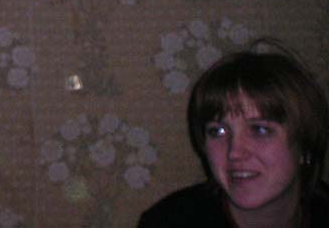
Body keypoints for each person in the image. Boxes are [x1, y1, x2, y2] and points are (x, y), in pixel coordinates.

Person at [138, 41, 329, 228]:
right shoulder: (167, 222)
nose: (234, 152)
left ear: (305, 146)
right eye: (217, 131)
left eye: (260, 130)